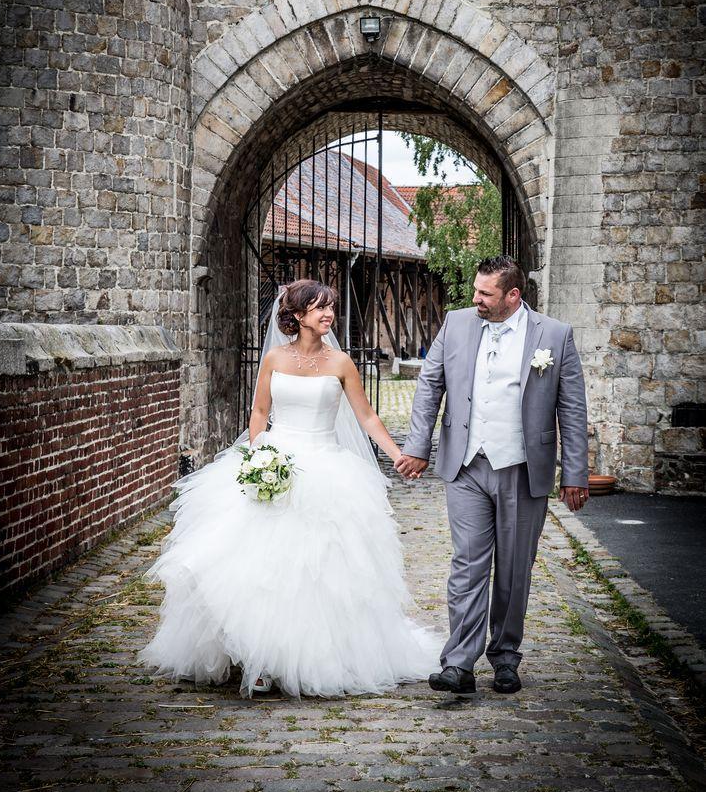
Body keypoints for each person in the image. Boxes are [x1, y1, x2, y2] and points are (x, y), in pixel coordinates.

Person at [139, 279, 440, 698]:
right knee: (261, 568)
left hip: (326, 471)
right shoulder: (275, 358)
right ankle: (259, 661)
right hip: (276, 463)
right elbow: (260, 412)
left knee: (315, 573)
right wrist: (257, 456)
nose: (327, 314)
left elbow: (367, 418)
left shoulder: (342, 364)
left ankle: (311, 657)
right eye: (318, 307)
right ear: (297, 315)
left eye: (330, 307)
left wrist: (400, 453)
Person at [396, 256, 589, 696]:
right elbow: (430, 383)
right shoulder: (457, 323)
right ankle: (459, 663)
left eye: (485, 293)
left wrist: (574, 472)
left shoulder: (554, 336)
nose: (476, 299)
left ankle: (504, 656)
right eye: (476, 291)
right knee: (467, 563)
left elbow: (572, 408)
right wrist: (417, 445)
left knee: (514, 568)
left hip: (522, 466)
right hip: (466, 464)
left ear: (513, 296)